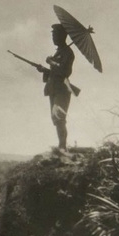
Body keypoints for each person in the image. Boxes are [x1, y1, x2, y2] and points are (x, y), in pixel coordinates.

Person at [38, 23, 75, 151]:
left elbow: (65, 72)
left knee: (59, 118)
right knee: (55, 119)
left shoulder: (68, 53)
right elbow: (55, 72)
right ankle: (61, 146)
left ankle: (62, 147)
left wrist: (51, 62)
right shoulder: (60, 52)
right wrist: (44, 70)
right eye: (53, 35)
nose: (53, 37)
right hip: (53, 88)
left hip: (62, 90)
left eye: (55, 34)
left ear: (62, 36)